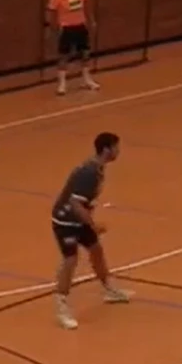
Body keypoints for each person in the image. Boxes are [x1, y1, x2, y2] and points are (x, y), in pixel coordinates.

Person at [51, 132, 133, 329]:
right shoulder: (89, 173)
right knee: (71, 260)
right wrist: (93, 225)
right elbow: (75, 203)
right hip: (66, 221)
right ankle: (62, 306)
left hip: (79, 220)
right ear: (106, 149)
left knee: (96, 250)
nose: (118, 151)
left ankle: (109, 290)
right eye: (116, 147)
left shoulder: (98, 169)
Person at [46, 0, 98, 96]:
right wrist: (52, 27)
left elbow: (87, 6)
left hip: (80, 26)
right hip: (66, 28)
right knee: (64, 56)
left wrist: (91, 21)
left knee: (85, 53)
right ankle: (62, 84)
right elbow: (51, 11)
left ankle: (87, 80)